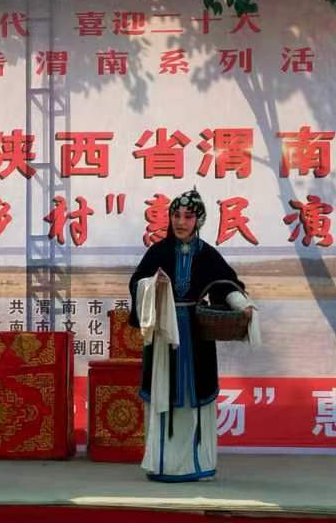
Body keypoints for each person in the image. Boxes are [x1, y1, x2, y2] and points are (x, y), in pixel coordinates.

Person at [128, 188, 254, 482]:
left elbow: (226, 285)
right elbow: (136, 283)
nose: (180, 222)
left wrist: (243, 305)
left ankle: (197, 464)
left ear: (199, 220)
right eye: (176, 215)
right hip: (164, 334)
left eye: (187, 216)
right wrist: (152, 287)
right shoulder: (158, 252)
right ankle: (163, 465)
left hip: (196, 336)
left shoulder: (208, 255)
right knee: (164, 395)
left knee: (196, 395)